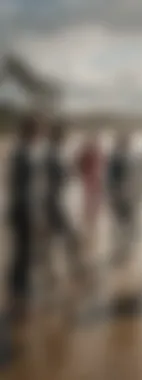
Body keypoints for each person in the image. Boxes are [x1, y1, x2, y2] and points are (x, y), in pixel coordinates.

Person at [41, 120, 83, 292]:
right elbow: (65, 176)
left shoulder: (52, 153)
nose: (65, 138)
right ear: (58, 136)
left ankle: (54, 273)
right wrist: (72, 170)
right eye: (63, 135)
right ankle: (71, 270)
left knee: (53, 239)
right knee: (69, 237)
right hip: (56, 202)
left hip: (55, 201)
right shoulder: (53, 154)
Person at [6, 115, 40, 319]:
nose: (38, 135)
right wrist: (34, 215)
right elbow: (23, 189)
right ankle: (18, 294)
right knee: (22, 253)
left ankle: (19, 292)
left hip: (19, 208)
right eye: (37, 131)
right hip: (22, 210)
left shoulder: (21, 151)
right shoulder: (22, 153)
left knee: (22, 252)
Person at [107, 133, 134, 265]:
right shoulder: (118, 158)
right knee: (121, 225)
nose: (128, 145)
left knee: (121, 226)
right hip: (120, 196)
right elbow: (114, 180)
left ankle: (121, 251)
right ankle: (120, 252)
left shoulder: (119, 157)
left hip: (121, 196)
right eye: (126, 142)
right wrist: (116, 196)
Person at [76, 132, 103, 240]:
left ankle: (91, 229)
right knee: (89, 206)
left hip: (94, 181)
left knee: (92, 206)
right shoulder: (88, 152)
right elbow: (78, 163)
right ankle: (89, 229)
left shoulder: (95, 152)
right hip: (89, 180)